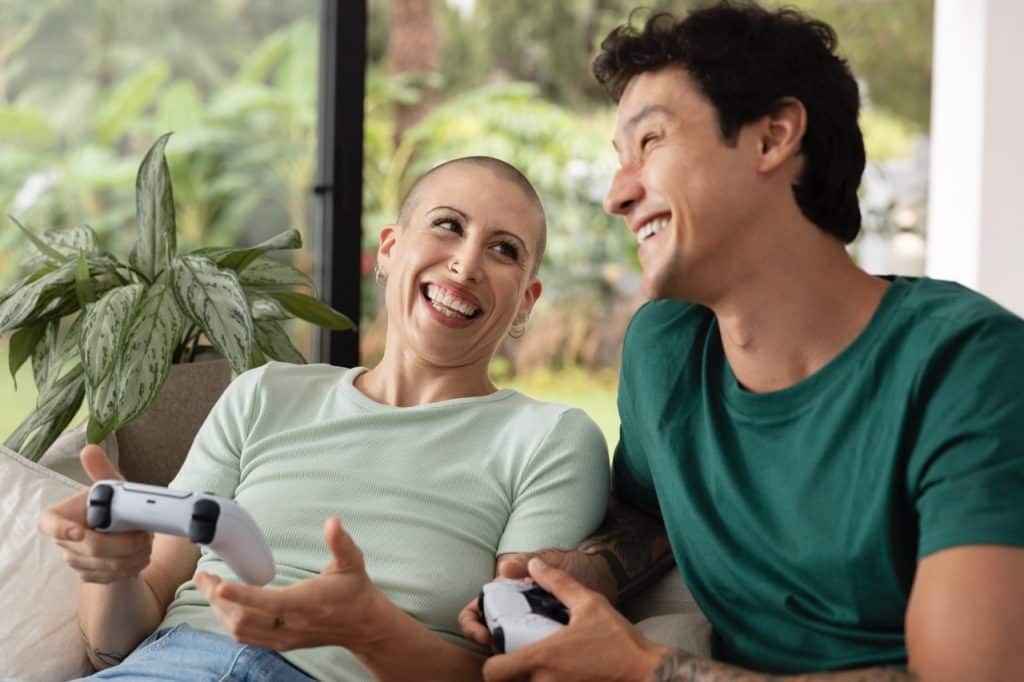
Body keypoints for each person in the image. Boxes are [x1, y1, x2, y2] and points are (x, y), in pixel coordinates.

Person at [461, 3, 1024, 681]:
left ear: (772, 138)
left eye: (651, 143)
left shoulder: (969, 367)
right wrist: (586, 572)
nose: (616, 193)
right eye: (619, 158)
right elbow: (649, 513)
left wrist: (646, 669)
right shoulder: (664, 350)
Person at [38, 156, 611, 682]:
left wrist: (369, 630)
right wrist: (110, 571)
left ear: (527, 302)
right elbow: (117, 642)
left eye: (504, 249)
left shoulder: (550, 439)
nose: (466, 265)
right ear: (389, 249)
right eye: (447, 226)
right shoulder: (264, 393)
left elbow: (523, 671)